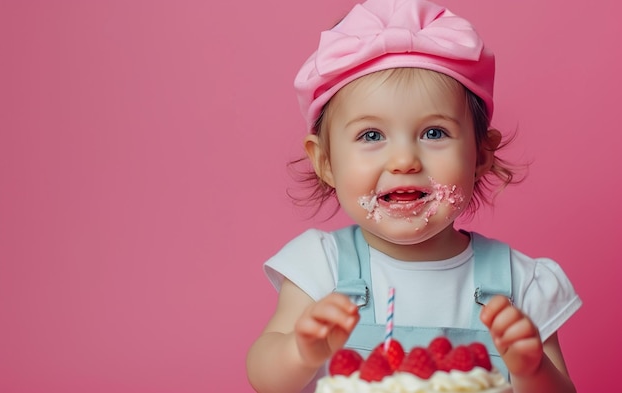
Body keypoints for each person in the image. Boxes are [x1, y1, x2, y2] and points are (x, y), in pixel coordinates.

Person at [246, 0, 581, 392]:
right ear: (326, 162)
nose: (404, 160)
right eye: (371, 135)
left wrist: (530, 369)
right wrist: (300, 353)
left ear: (480, 155)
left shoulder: (522, 284)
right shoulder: (320, 266)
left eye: (434, 133)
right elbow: (264, 377)